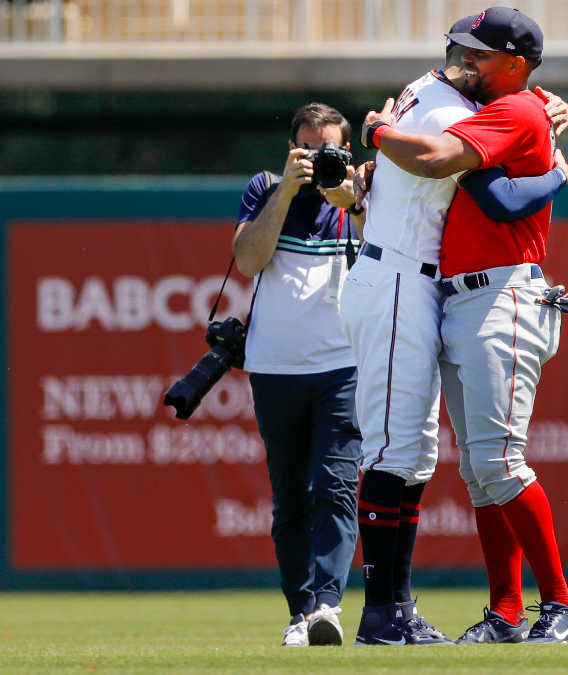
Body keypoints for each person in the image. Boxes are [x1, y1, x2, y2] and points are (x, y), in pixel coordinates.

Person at [354, 7, 568, 646]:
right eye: (464, 50)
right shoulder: (486, 102)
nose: (467, 60)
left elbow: (490, 193)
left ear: (514, 64)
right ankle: (486, 612)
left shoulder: (506, 109)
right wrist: (555, 153)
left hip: (486, 292)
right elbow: (485, 163)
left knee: (483, 461)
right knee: (453, 462)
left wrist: (378, 132)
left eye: (480, 53)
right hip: (430, 284)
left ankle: (557, 608)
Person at [233, 102, 365, 648]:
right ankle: (298, 612)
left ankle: (328, 608)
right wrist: (286, 192)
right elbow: (247, 259)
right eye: (307, 150)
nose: (317, 159)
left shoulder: (364, 194)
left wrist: (355, 204)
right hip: (275, 368)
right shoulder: (266, 188)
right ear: (291, 149)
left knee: (336, 487)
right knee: (291, 496)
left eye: (327, 150)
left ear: (347, 151)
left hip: (342, 366)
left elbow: (391, 261)